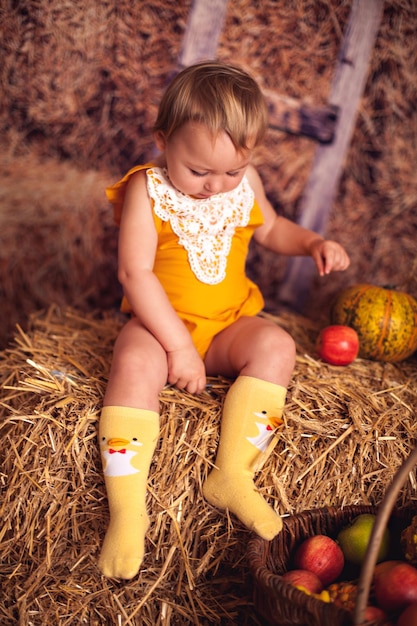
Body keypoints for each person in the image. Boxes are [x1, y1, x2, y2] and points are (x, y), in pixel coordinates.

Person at [98, 60, 350, 580]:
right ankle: (128, 507)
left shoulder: (243, 184)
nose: (217, 186)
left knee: (277, 346)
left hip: (227, 324)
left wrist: (312, 244)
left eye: (231, 171)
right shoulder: (148, 191)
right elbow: (134, 273)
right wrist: (177, 348)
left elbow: (273, 229)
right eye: (199, 171)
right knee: (132, 362)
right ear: (163, 140)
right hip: (160, 326)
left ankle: (232, 474)